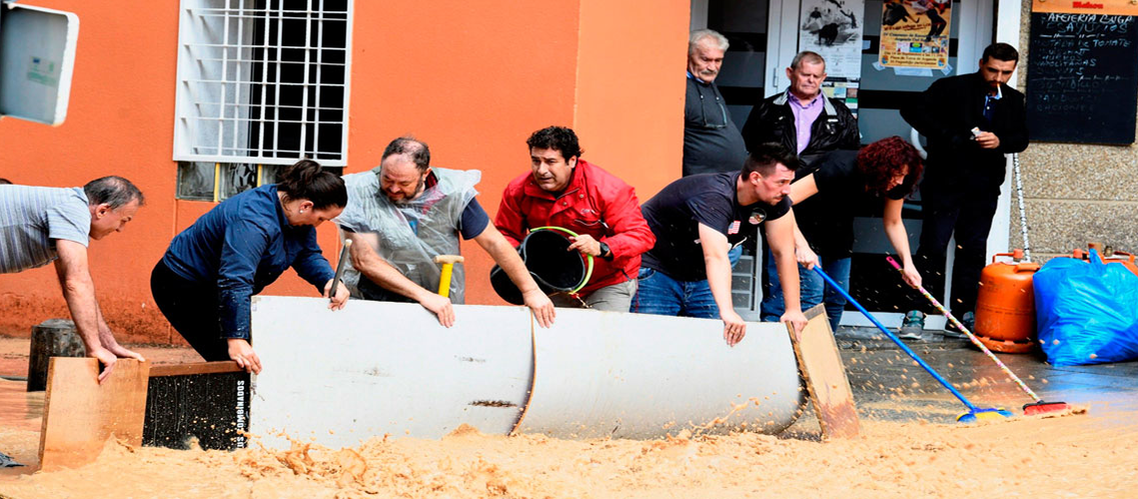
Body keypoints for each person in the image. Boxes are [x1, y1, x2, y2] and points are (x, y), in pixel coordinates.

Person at [0, 176, 145, 467]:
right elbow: (76, 283)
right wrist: (93, 348)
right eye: (123, 220)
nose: (122, 229)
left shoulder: (66, 213)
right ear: (102, 210)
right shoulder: (71, 209)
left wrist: (108, 343)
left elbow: (73, 284)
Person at [151, 160, 350, 374]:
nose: (318, 225)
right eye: (321, 218)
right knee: (237, 361)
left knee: (253, 354)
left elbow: (306, 253)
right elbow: (235, 280)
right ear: (306, 206)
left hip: (223, 287)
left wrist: (329, 279)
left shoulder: (294, 211)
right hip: (183, 285)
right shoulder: (252, 221)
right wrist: (236, 337)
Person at [336, 137, 556, 328]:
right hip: (371, 299)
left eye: (403, 183)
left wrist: (530, 290)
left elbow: (494, 242)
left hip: (438, 301)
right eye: (387, 179)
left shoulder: (452, 192)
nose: (393, 188)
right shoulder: (359, 191)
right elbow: (364, 260)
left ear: (425, 174)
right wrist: (423, 296)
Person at [899, 42, 1029, 338]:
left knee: (972, 250)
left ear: (1013, 71)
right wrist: (950, 136)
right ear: (982, 63)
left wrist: (1000, 141)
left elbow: (1021, 138)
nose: (998, 78)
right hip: (945, 181)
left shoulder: (1013, 99)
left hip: (983, 186)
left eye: (1005, 73)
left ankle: (962, 315)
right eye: (993, 70)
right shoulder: (951, 87)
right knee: (932, 246)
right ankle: (916, 311)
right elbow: (912, 110)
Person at [633, 144, 810, 346]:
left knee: (712, 346)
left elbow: (784, 253)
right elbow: (715, 256)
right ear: (755, 178)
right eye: (781, 182)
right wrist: (728, 311)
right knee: (652, 344)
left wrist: (793, 309)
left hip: (699, 273)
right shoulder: (714, 196)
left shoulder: (775, 199)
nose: (788, 190)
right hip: (656, 269)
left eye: (790, 182)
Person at [742, 50, 861, 327]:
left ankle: (823, 350)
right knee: (783, 284)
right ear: (790, 73)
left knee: (831, 292)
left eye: (816, 76)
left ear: (824, 78)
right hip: (779, 204)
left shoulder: (840, 115)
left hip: (830, 211)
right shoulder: (767, 110)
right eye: (805, 74)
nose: (810, 81)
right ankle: (774, 343)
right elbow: (751, 153)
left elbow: (849, 160)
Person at [770, 137, 924, 332]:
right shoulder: (840, 167)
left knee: (837, 297)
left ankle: (826, 352)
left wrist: (908, 264)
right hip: (798, 226)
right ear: (881, 167)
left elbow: (893, 222)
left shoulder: (896, 184)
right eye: (897, 174)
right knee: (811, 294)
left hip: (838, 232)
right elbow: (784, 202)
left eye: (905, 176)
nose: (900, 181)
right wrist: (801, 246)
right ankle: (803, 354)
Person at [494, 126, 654, 312]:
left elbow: (641, 235)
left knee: (602, 339)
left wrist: (602, 247)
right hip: (551, 282)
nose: (541, 170)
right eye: (535, 161)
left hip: (607, 282)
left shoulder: (608, 189)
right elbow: (505, 233)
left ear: (572, 161)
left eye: (550, 162)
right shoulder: (518, 190)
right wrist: (523, 259)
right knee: (552, 339)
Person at [683, 29, 747, 177]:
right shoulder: (682, 88)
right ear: (688, 57)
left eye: (718, 60)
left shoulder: (708, 83)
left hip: (724, 179)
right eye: (705, 59)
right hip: (702, 181)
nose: (712, 67)